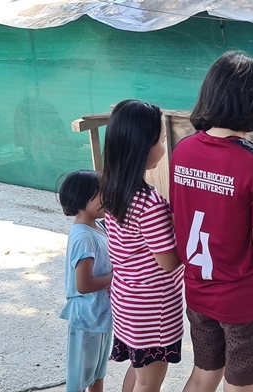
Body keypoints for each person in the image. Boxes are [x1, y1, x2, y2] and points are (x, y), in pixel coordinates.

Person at [169, 51, 253, 392]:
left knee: (204, 374)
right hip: (245, 301)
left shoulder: (183, 150)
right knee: (239, 385)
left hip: (198, 291)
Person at [100, 99, 184, 392]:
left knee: (138, 375)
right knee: (149, 383)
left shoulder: (112, 189)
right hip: (152, 309)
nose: (164, 147)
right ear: (141, 148)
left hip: (127, 300)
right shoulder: (150, 204)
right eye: (160, 141)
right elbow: (169, 262)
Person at [57, 169, 112, 392]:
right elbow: (84, 284)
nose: (106, 198)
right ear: (81, 199)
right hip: (86, 319)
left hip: (99, 316)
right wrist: (116, 277)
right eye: (100, 194)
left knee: (97, 371)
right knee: (79, 378)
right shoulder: (83, 237)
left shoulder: (97, 226)